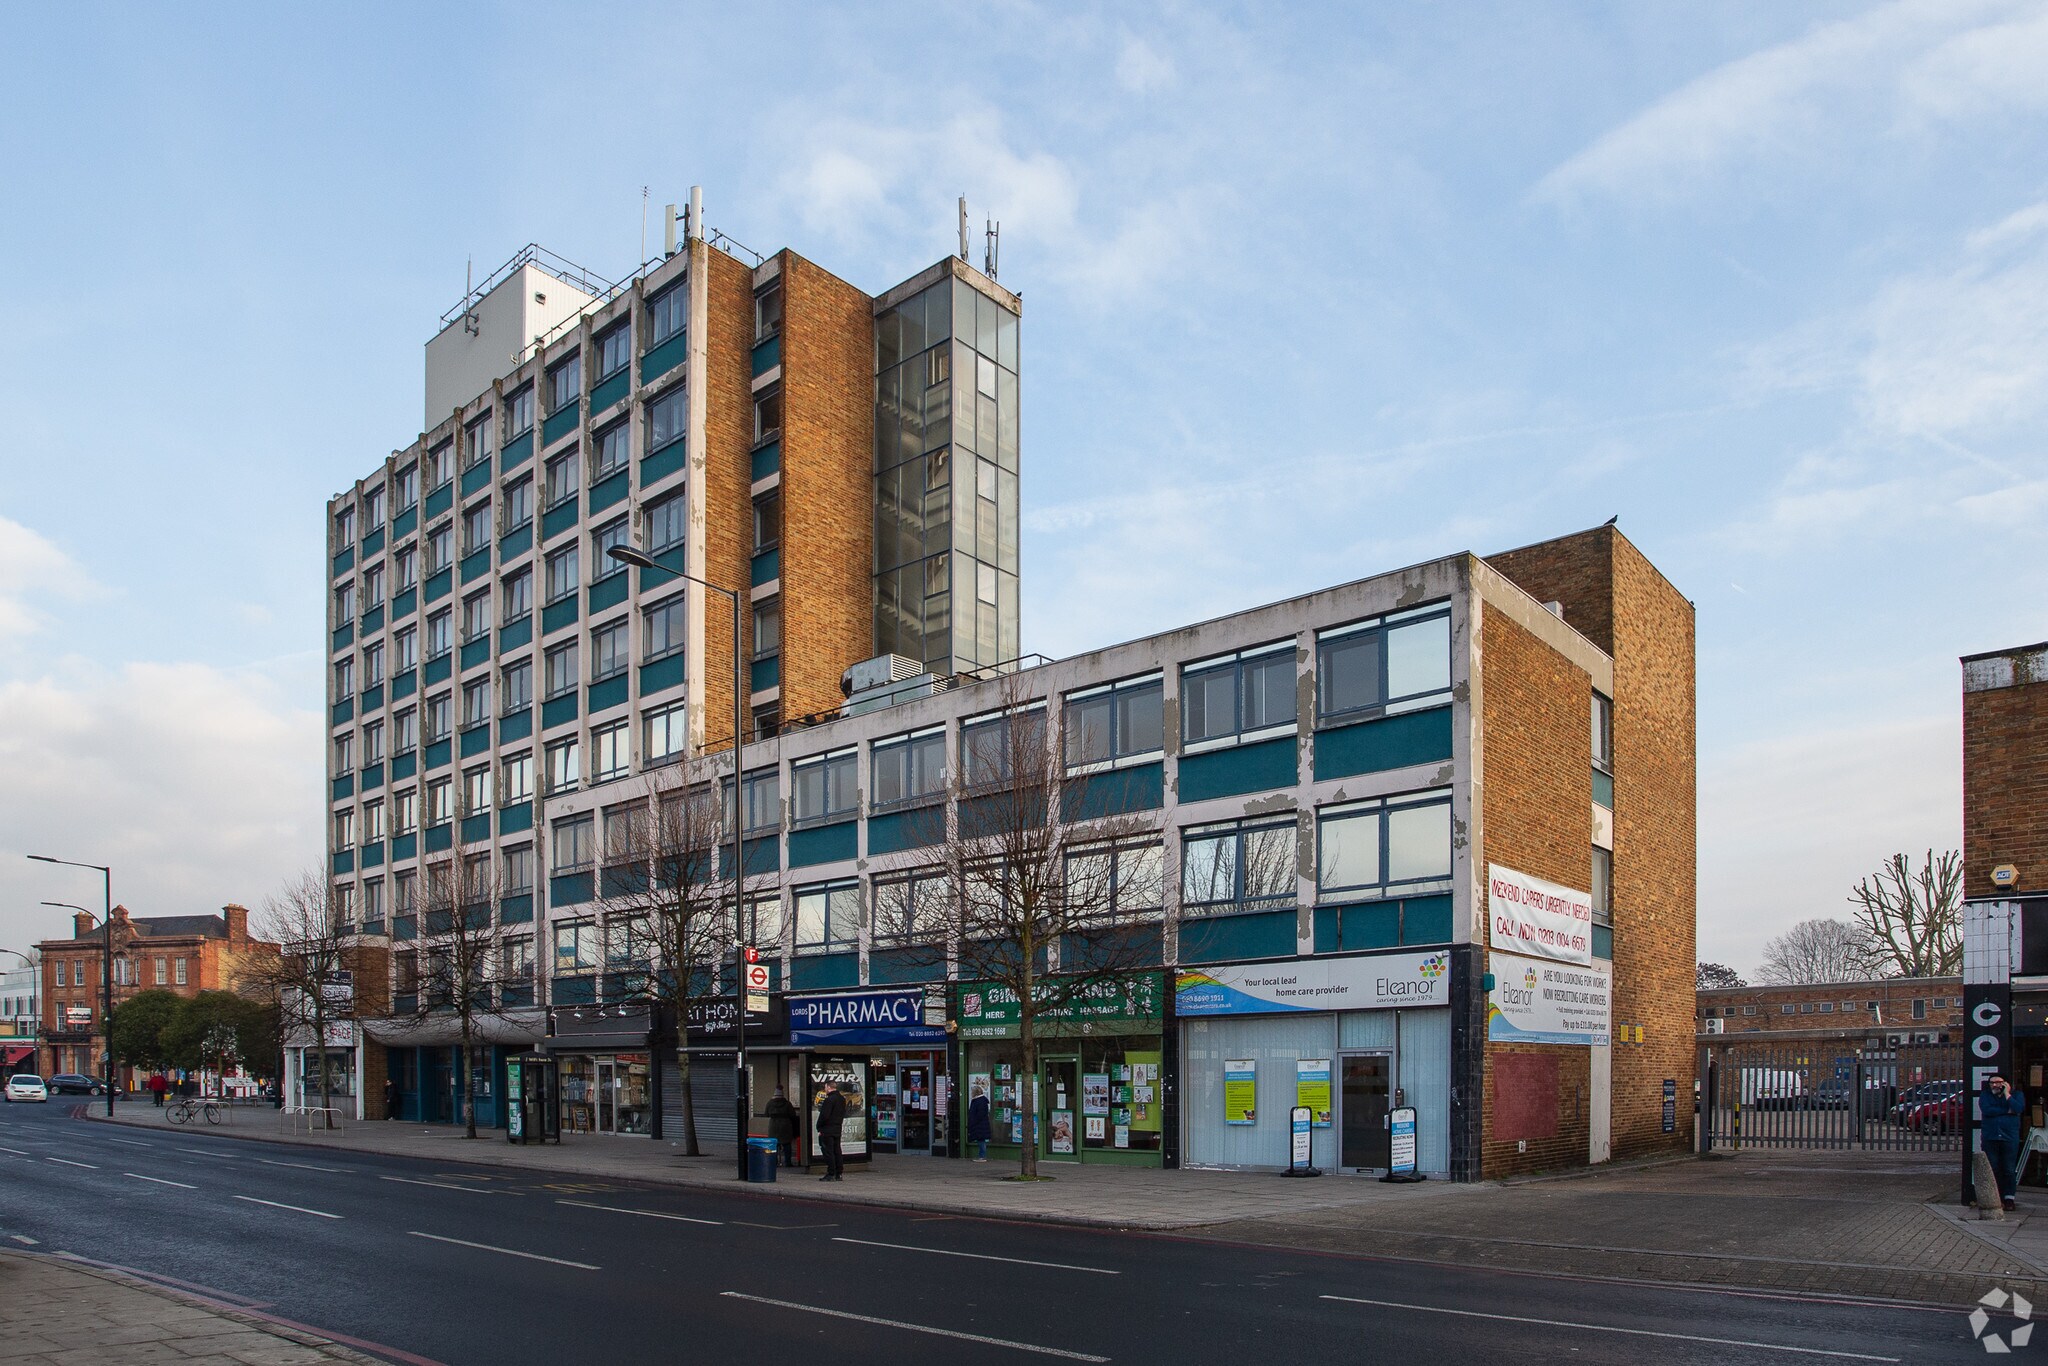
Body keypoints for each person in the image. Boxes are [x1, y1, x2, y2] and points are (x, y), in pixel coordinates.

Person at [1982, 1073, 2028, 1211]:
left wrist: (2007, 1095)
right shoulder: (1986, 1095)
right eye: (1992, 1083)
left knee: (2008, 1169)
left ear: (2005, 1083)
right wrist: (2007, 1110)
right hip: (1991, 1137)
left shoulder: (2017, 1094)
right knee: (1993, 1168)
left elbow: (2018, 1108)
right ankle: (1996, 1197)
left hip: (2009, 1137)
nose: (1995, 1085)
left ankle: (2009, 1198)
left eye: (1998, 1082)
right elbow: (1986, 1110)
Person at [816, 1081, 847, 1182]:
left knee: (828, 1152)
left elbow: (824, 1115)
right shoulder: (842, 1099)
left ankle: (831, 1173)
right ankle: (839, 1173)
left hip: (827, 1129)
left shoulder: (829, 1100)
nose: (825, 1089)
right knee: (837, 1150)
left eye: (825, 1087)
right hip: (837, 1128)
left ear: (829, 1087)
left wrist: (819, 1127)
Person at [765, 1086, 800, 1167]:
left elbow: (766, 1114)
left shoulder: (770, 1103)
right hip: (786, 1125)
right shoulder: (787, 1104)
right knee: (787, 1145)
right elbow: (792, 1115)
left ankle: (773, 1162)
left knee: (774, 1145)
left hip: (773, 1125)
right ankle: (788, 1162)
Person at [967, 1083, 992, 1162]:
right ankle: (982, 1155)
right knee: (981, 1139)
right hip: (981, 1123)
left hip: (979, 1124)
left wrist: (974, 1121)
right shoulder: (981, 1100)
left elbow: (979, 1114)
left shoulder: (978, 1101)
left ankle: (982, 1156)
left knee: (981, 1140)